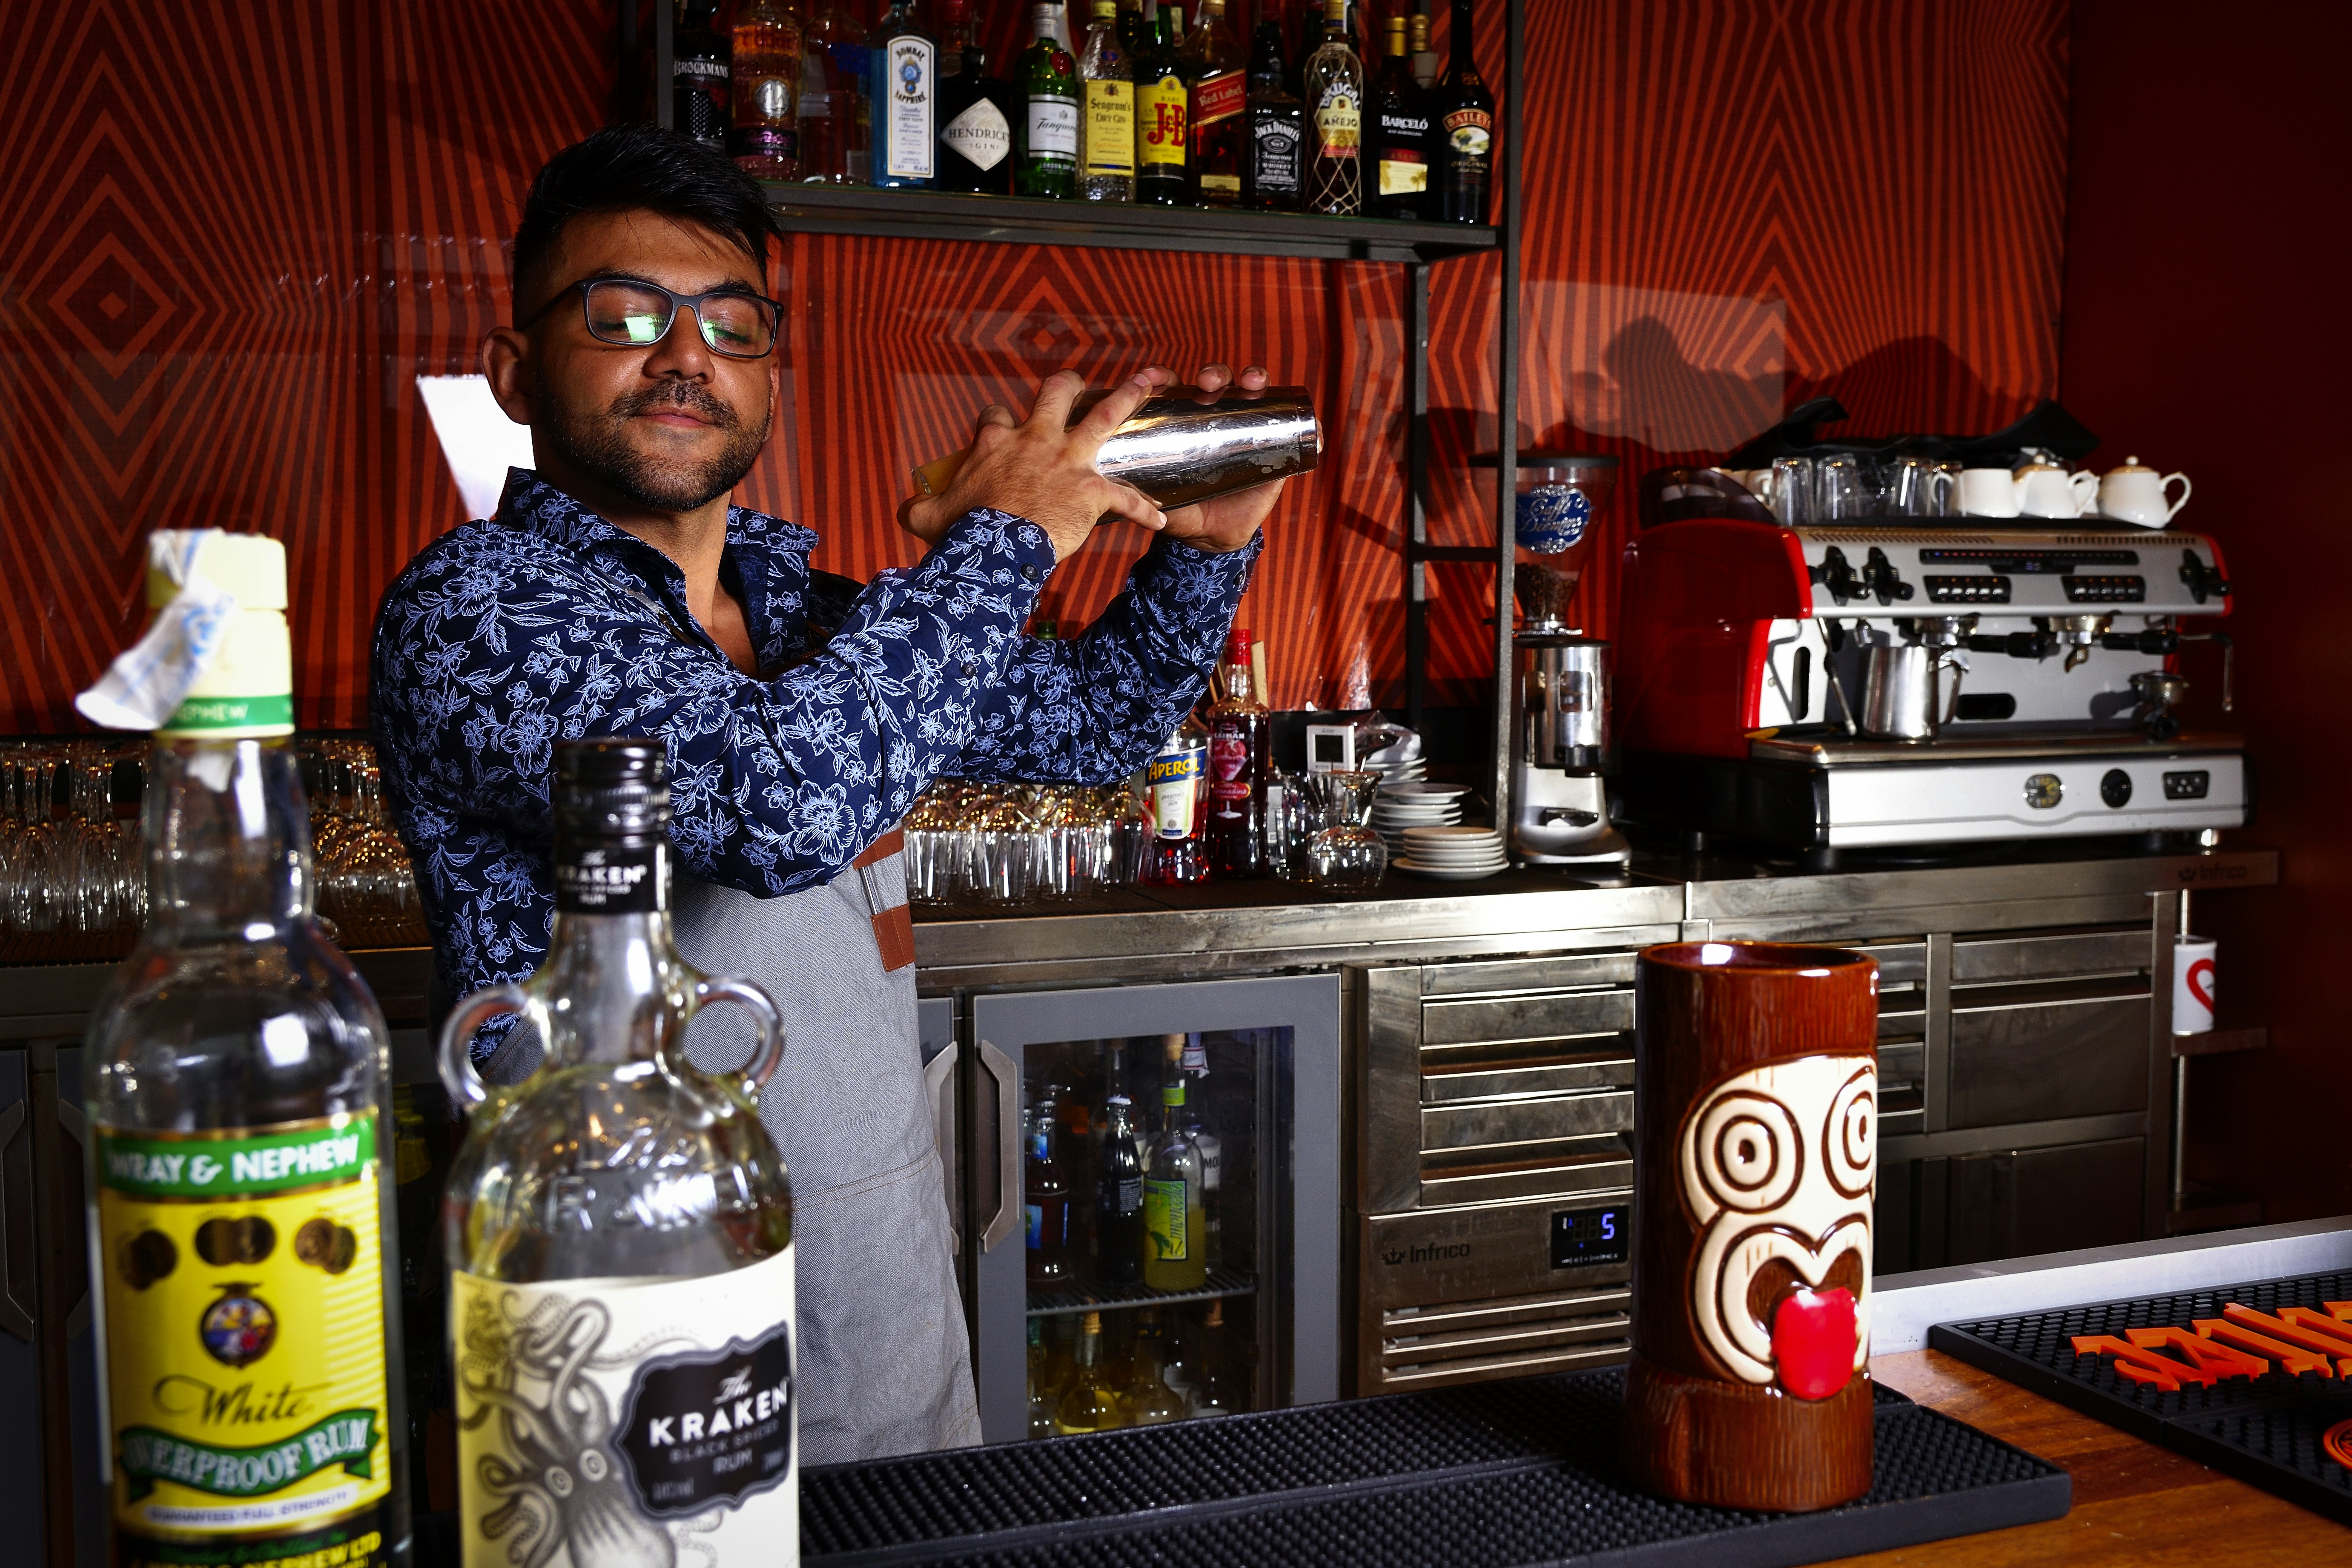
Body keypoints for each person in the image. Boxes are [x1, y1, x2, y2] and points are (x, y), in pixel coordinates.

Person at [369, 125, 1280, 1464]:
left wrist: (1203, 553)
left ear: (769, 382)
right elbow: (783, 801)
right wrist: (1012, 531)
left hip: (875, 1295)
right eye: (626, 314)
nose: (686, 355)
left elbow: (1092, 725)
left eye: (733, 327)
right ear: (514, 370)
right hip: (625, 1343)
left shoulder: (806, 610)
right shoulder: (475, 612)